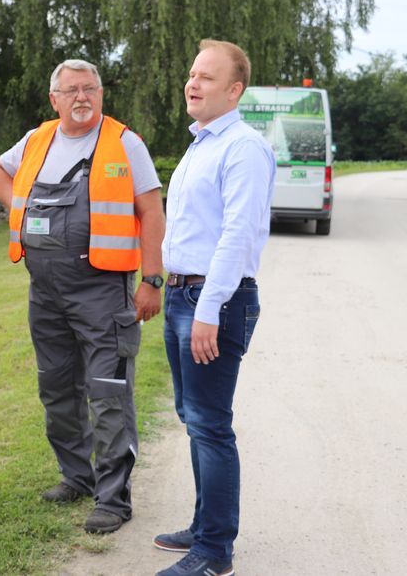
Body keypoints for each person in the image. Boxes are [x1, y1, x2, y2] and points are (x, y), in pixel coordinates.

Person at [0, 59, 165, 534]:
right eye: (71, 90)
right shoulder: (35, 140)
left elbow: (151, 209)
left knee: (108, 393)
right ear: (55, 99)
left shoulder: (125, 143)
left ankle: (114, 498)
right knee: (57, 388)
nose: (81, 97)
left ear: (101, 95)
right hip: (44, 292)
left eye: (90, 89)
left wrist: (152, 279)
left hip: (103, 292)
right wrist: (19, 210)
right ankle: (76, 476)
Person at [152, 40, 275, 576]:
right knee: (193, 418)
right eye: (191, 73)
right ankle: (204, 528)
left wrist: (208, 308)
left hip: (213, 300)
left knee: (210, 425)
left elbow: (236, 234)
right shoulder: (202, 143)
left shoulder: (242, 147)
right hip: (185, 294)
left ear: (234, 89)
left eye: (206, 76)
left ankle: (214, 552)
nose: (192, 83)